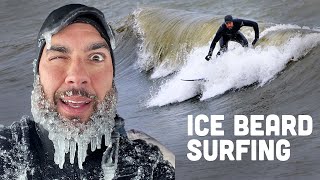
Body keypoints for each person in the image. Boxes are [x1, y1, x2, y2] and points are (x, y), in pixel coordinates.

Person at [0, 4, 174, 179]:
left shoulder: (149, 168)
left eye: (96, 57)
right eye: (59, 57)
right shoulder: (6, 153)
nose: (77, 76)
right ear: (38, 74)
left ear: (112, 77)